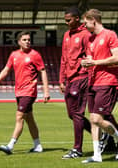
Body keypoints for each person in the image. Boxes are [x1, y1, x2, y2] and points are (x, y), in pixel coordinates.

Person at [0, 31, 50, 154]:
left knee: (19, 117)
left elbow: (43, 72)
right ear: (19, 42)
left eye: (29, 40)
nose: (27, 42)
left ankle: (10, 145)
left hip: (29, 91)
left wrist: (46, 91)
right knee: (29, 119)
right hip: (19, 92)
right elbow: (6, 69)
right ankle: (38, 146)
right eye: (24, 40)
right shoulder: (13, 55)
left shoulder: (35, 55)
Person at [81, 9, 118, 163]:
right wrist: (86, 63)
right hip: (93, 82)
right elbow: (91, 59)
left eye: (85, 23)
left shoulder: (110, 35)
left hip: (108, 81)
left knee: (97, 119)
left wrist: (95, 62)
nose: (84, 26)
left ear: (93, 20)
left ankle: (116, 136)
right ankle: (97, 155)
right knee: (93, 119)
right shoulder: (90, 39)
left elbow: (116, 58)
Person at [59, 6, 91, 159]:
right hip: (70, 79)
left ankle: (77, 149)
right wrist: (61, 79)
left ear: (77, 19)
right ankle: (107, 137)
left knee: (77, 113)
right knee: (72, 114)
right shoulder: (66, 35)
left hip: (81, 77)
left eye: (69, 20)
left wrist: (84, 72)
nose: (66, 23)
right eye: (65, 20)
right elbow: (64, 58)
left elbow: (90, 56)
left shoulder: (85, 35)